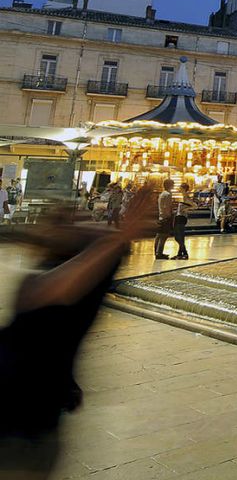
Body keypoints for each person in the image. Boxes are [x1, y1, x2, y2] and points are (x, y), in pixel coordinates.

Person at [0, 189, 153, 477]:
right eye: (63, 219)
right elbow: (59, 287)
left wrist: (119, 236)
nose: (77, 223)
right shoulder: (42, 281)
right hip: (17, 415)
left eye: (77, 218)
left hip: (30, 424)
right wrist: (120, 235)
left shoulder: (88, 281)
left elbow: (75, 274)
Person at [154, 179, 176, 259]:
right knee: (163, 236)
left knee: (159, 235)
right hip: (165, 217)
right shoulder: (167, 194)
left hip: (161, 216)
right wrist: (170, 215)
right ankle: (159, 253)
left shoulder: (162, 194)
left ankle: (157, 252)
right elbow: (167, 207)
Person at [172, 183, 192, 260]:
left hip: (181, 217)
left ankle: (185, 252)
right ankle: (180, 253)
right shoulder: (183, 196)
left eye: (180, 187)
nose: (179, 189)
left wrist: (186, 209)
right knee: (180, 236)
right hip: (179, 216)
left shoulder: (186, 196)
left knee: (178, 236)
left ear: (183, 188)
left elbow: (194, 205)